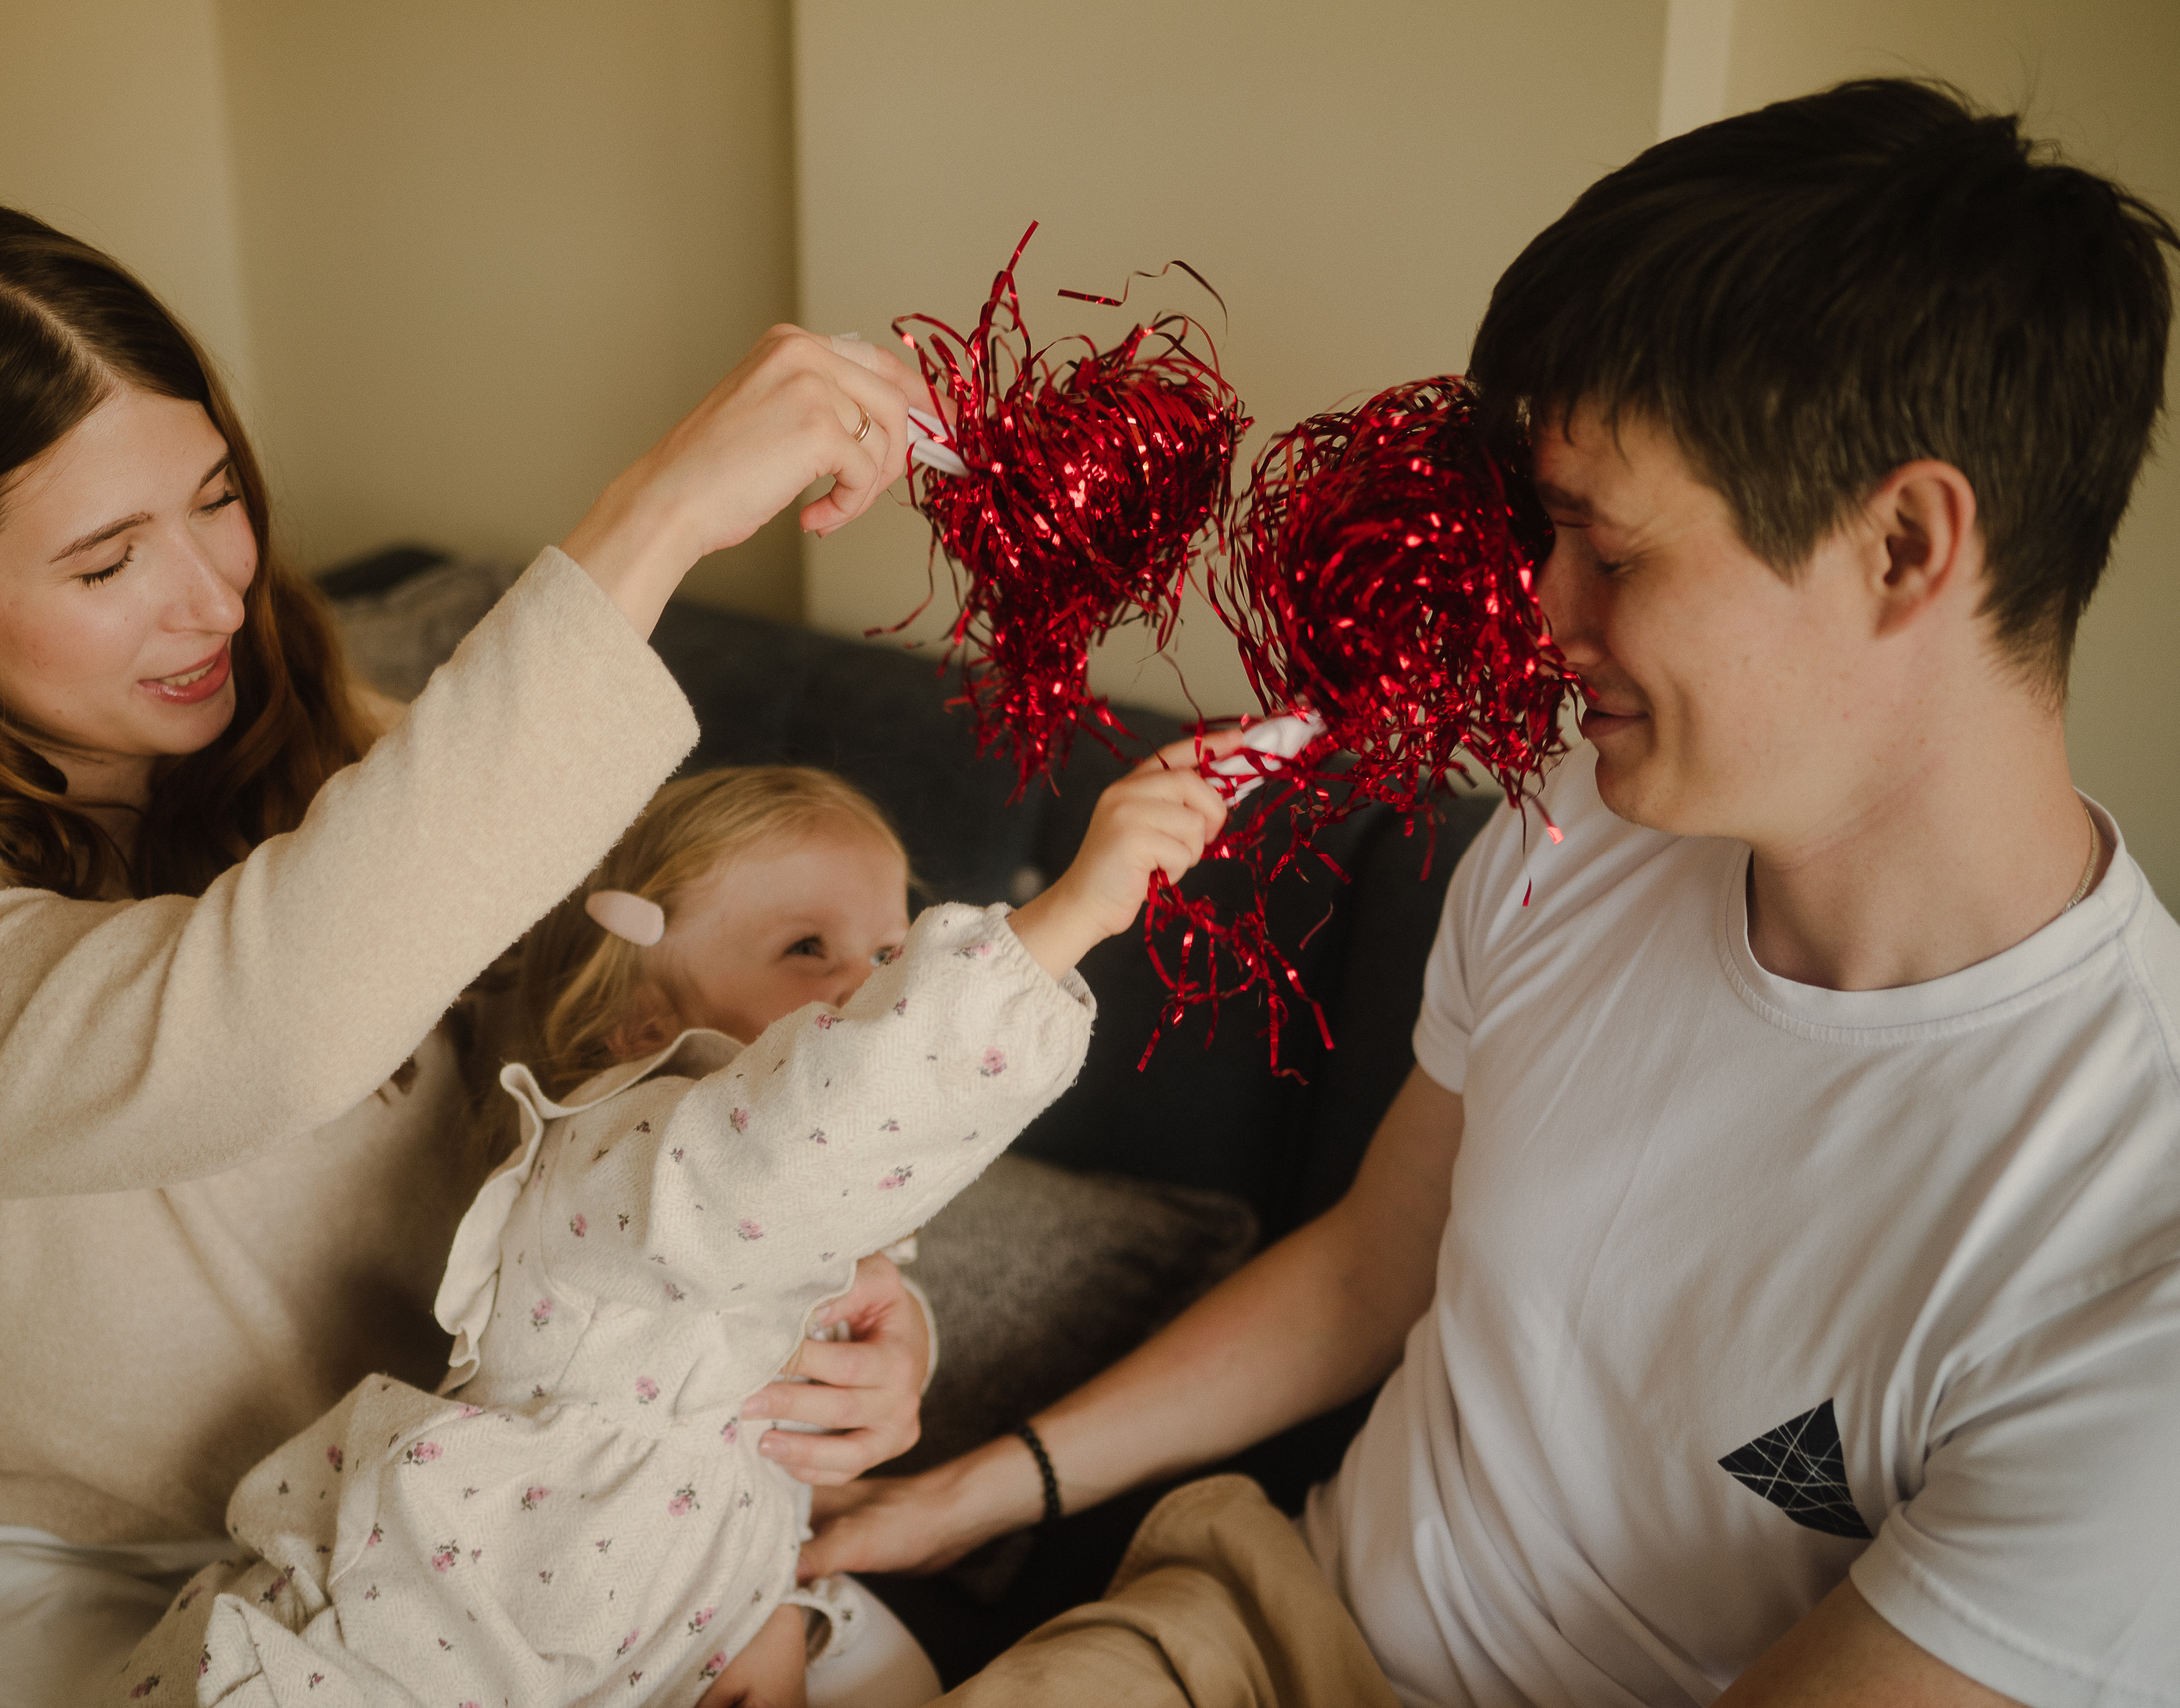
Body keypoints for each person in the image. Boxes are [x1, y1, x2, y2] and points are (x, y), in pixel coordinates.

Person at [805, 78, 2180, 1708]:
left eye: (1613, 546)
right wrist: (980, 1484)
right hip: (1258, 1621)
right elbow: (1376, 1260)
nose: (1540, 606)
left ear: (1903, 544)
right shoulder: (1574, 827)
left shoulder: (2126, 1247)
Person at [0, 197, 944, 1708]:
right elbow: (264, 1026)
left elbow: (657, 1039)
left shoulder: (350, 746)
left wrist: (861, 1309)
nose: (213, 593)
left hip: (443, 1523)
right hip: (54, 1573)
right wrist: (658, 516)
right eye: (106, 563)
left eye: (215, 497)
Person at [112, 750, 1230, 1708]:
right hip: (445, 1629)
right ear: (640, 1019)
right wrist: (1064, 919)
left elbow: (771, 1370)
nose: (879, 983)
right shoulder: (628, 1143)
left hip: (677, 1620)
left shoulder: (800, 1208)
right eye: (807, 948)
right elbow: (806, 1142)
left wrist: (767, 1601)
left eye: (895, 948)